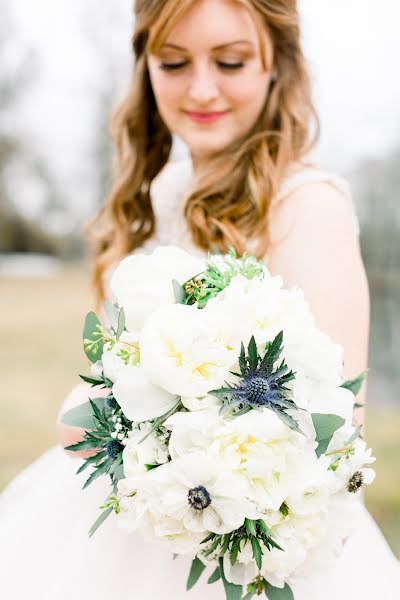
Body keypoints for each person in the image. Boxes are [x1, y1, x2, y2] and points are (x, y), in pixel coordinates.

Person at [1, 1, 399, 598]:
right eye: (174, 62)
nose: (202, 88)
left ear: (276, 64)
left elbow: (335, 433)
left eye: (231, 61)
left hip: (227, 551)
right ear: (145, 67)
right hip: (120, 523)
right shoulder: (162, 193)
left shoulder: (306, 206)